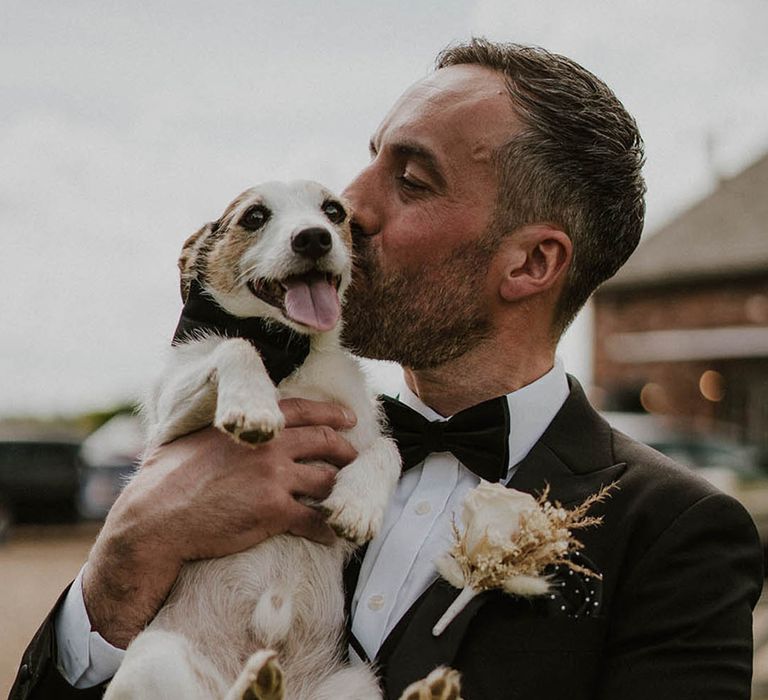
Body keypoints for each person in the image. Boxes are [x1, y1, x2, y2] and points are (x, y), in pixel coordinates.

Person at [11, 39, 763, 700]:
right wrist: (127, 553)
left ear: (531, 262)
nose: (350, 207)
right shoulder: (246, 428)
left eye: (412, 180)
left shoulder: (674, 535)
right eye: (371, 157)